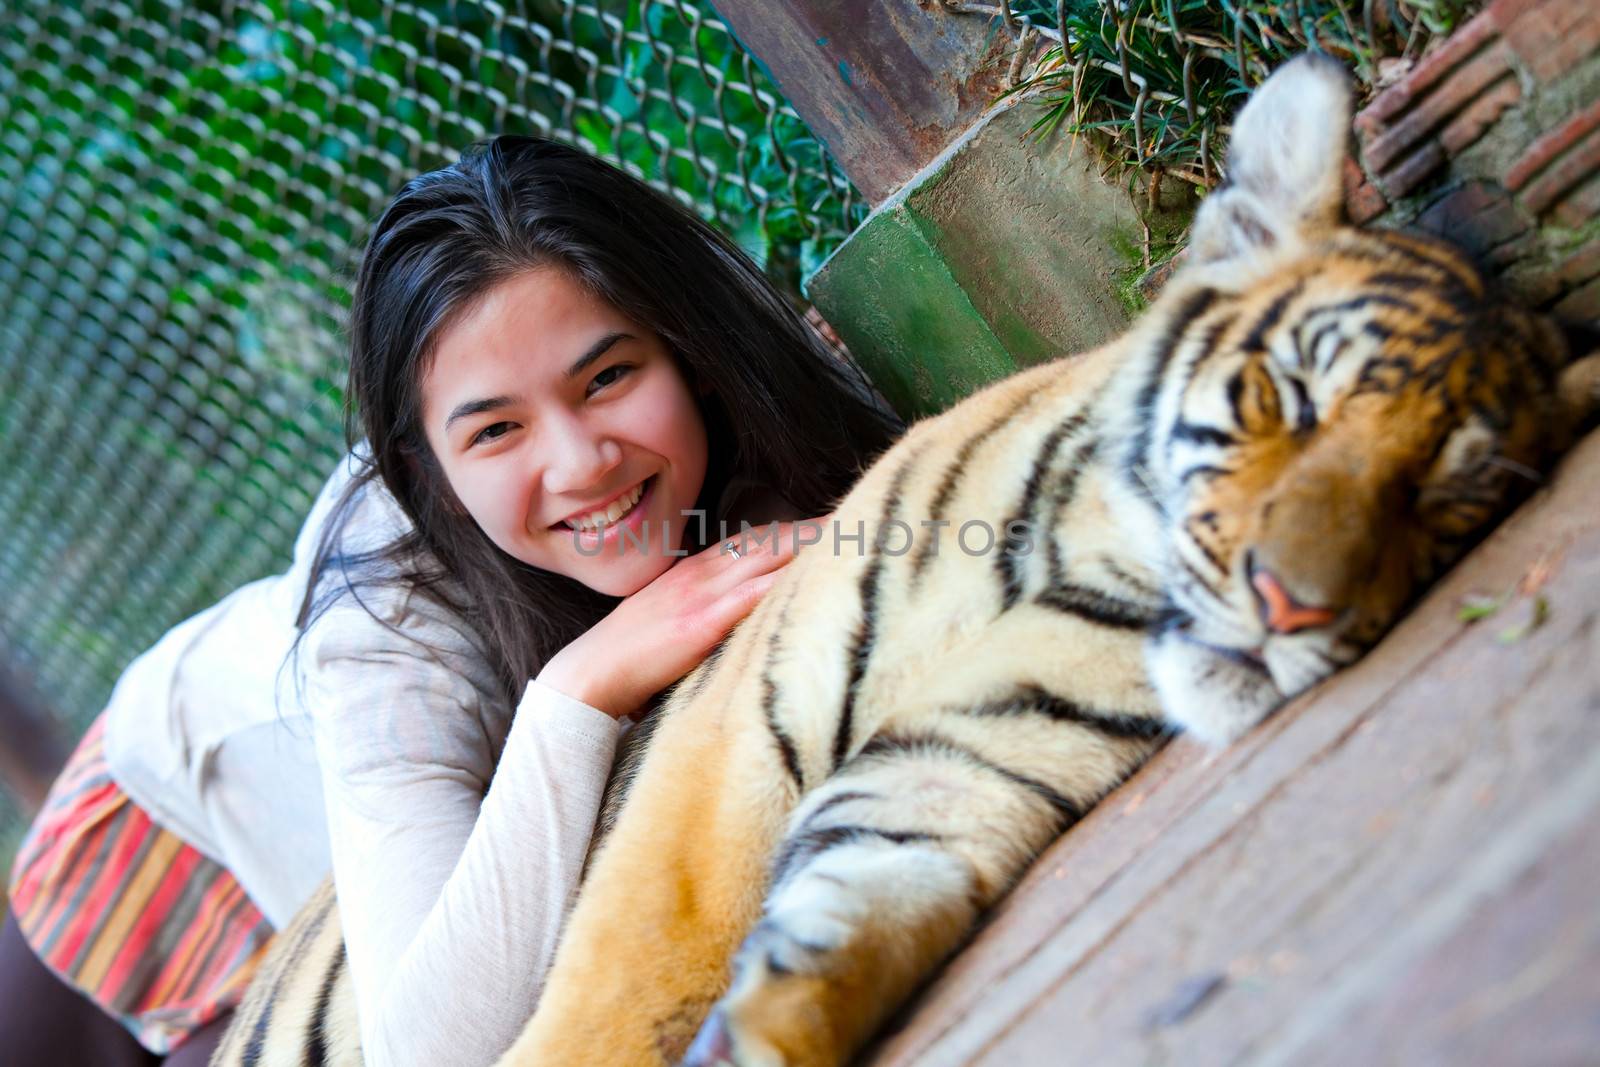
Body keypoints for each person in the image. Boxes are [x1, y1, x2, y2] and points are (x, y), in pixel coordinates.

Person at [0, 135, 902, 1066]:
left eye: (607, 378)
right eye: (497, 428)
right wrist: (581, 687)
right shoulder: (386, 621)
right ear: (427, 467)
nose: (580, 463)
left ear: (691, 352)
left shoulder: (767, 419)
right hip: (168, 836)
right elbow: (427, 1050)